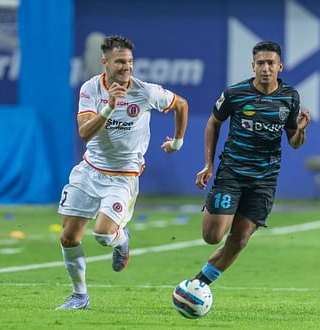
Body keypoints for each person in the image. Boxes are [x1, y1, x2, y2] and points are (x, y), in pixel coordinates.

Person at [56, 35, 189, 310]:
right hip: (89, 170)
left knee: (103, 235)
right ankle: (79, 296)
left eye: (129, 61)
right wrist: (108, 107)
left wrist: (177, 141)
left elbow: (181, 105)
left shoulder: (145, 91)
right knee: (68, 237)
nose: (126, 67)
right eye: (120, 62)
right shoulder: (91, 89)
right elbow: (84, 133)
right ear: (104, 62)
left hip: (123, 176)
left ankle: (122, 240)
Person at [192, 41, 310, 286]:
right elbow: (214, 122)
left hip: (264, 179)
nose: (265, 68)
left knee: (241, 239)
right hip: (232, 172)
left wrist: (300, 130)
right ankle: (198, 282)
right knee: (212, 236)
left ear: (280, 66)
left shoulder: (289, 97)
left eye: (270, 63)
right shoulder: (235, 94)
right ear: (252, 66)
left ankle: (198, 285)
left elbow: (294, 142)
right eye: (260, 63)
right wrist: (208, 164)